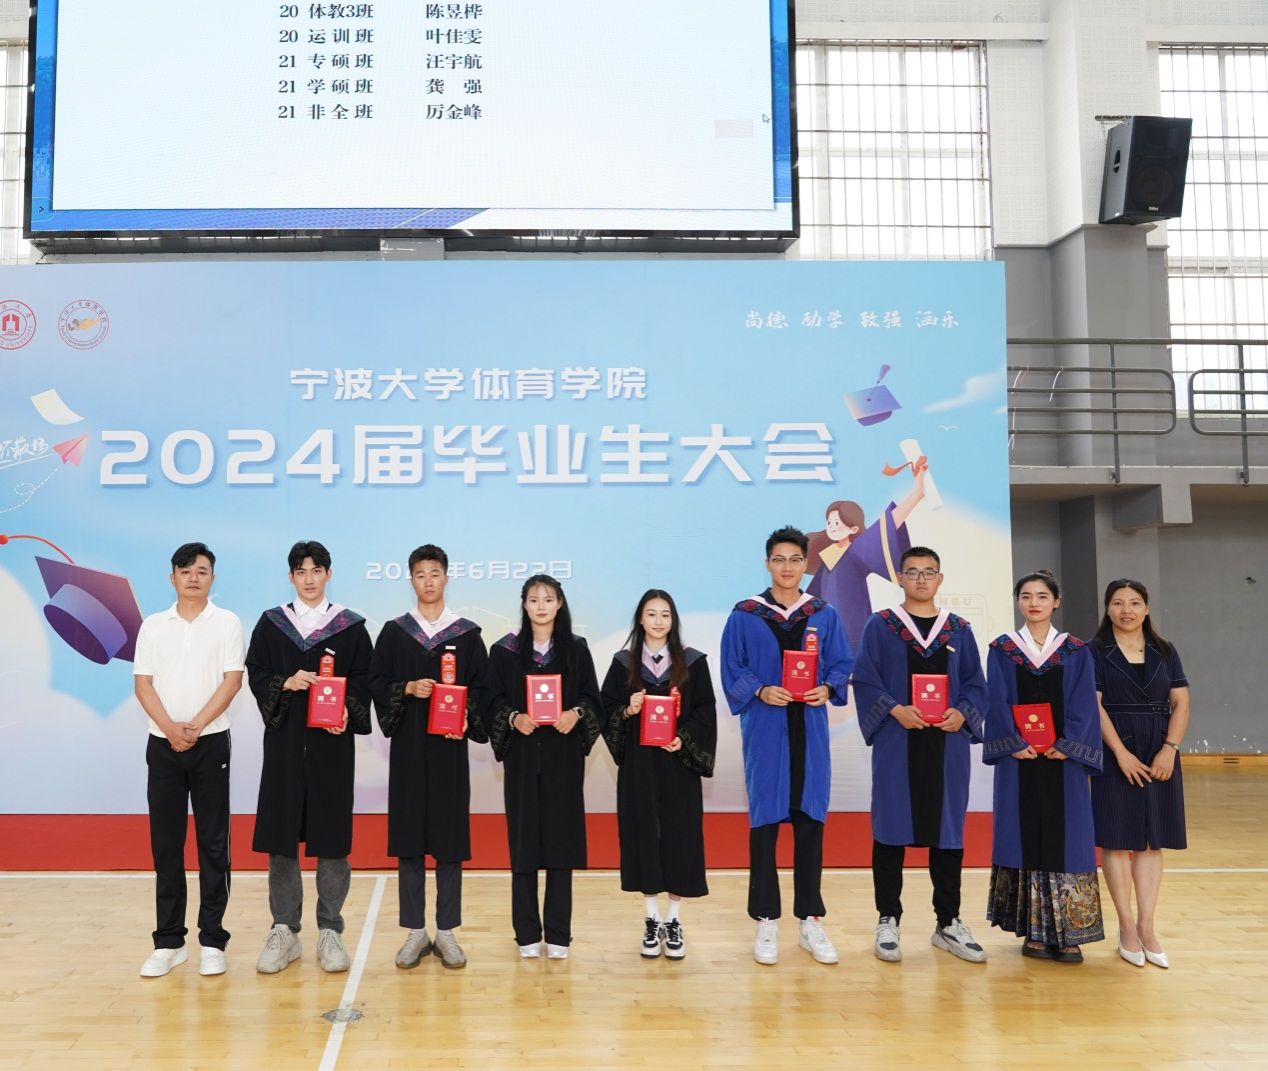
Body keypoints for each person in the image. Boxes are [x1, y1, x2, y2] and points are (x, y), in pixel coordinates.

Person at [720, 525, 853, 967]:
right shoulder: (745, 614)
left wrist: (827, 687)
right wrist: (760, 690)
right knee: (765, 826)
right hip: (767, 732)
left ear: (805, 564)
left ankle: (810, 920)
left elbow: (841, 664)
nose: (787, 567)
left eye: (795, 559)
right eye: (779, 559)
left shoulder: (823, 613)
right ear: (767, 564)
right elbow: (732, 667)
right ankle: (766, 920)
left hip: (809, 731)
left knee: (810, 823)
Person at [851, 546, 989, 964]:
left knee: (948, 831)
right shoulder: (881, 626)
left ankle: (948, 922)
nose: (921, 579)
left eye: (929, 572)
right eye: (913, 572)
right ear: (901, 578)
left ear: (940, 578)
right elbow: (866, 679)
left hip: (947, 743)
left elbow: (976, 684)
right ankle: (887, 919)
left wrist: (961, 712)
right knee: (890, 828)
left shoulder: (958, 630)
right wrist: (895, 709)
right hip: (898, 739)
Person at [245, 540, 373, 975]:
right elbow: (256, 672)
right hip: (285, 746)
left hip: (330, 747)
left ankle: (330, 930)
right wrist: (285, 682)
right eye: (301, 571)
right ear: (291, 577)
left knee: (331, 838)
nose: (309, 578)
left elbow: (364, 680)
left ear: (328, 574)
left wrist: (347, 711)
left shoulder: (350, 627)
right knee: (281, 838)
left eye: (317, 570)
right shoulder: (272, 624)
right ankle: (284, 930)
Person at [369, 544, 490, 970]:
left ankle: (448, 931)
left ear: (446, 577)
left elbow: (484, 690)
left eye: (435, 574)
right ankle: (415, 931)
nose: (428, 582)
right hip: (407, 751)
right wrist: (407, 688)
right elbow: (375, 682)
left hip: (449, 752)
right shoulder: (394, 633)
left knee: (450, 840)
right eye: (420, 575)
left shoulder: (467, 635)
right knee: (409, 840)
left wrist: (467, 714)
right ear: (411, 580)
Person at [133, 542, 244, 978]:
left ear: (212, 578)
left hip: (211, 742)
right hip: (162, 745)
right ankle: (169, 942)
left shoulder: (227, 622)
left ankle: (213, 940)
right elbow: (143, 684)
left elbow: (232, 681)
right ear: (172, 578)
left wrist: (195, 726)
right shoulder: (153, 625)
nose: (193, 577)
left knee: (214, 844)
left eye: (201, 571)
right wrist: (170, 728)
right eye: (185, 570)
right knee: (166, 843)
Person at [984, 570, 1104, 962]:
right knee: (1023, 834)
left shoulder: (1076, 651)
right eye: (1025, 596)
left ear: (1056, 602)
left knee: (1068, 836)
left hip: (1063, 761)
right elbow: (996, 699)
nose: (1033, 603)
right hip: (1019, 761)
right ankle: (1034, 932)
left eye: (1041, 596)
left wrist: (1068, 745)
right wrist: (1012, 742)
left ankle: (1069, 933)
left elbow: (1085, 703)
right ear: (1017, 601)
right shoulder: (1003, 649)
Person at [485, 574, 602, 959]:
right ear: (524, 604)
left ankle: (558, 934)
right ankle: (526, 934)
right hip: (521, 758)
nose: (541, 606)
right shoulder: (505, 651)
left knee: (560, 844)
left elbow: (593, 698)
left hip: (562, 759)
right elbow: (491, 701)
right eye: (533, 599)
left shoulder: (576, 650)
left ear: (559, 604)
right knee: (523, 845)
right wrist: (514, 717)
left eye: (548, 599)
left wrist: (576, 714)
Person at [600, 589, 717, 960]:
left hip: (677, 764)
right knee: (643, 835)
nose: (658, 621)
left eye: (665, 614)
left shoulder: (692, 663)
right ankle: (651, 918)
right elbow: (605, 709)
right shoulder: (624, 664)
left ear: (673, 620)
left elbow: (705, 711)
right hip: (640, 765)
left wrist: (684, 739)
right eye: (651, 614)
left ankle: (674, 919)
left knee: (680, 836)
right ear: (640, 619)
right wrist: (628, 709)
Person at [1089, 579, 1190, 969]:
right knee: (1117, 839)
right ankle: (1126, 926)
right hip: (1116, 748)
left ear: (1146, 608)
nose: (1126, 610)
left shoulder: (1165, 650)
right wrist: (1120, 754)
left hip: (1159, 748)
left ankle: (1148, 927)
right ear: (1107, 608)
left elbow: (1181, 702)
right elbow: (1094, 706)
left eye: (1134, 603)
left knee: (1151, 840)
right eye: (1118, 603)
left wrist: (1170, 748)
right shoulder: (1095, 650)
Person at [805, 461, 926, 653]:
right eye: (829, 522)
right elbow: (813, 596)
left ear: (853, 528)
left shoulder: (857, 550)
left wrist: (917, 491)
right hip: (825, 627)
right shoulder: (827, 556)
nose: (832, 527)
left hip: (852, 624)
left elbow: (890, 522)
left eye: (837, 523)